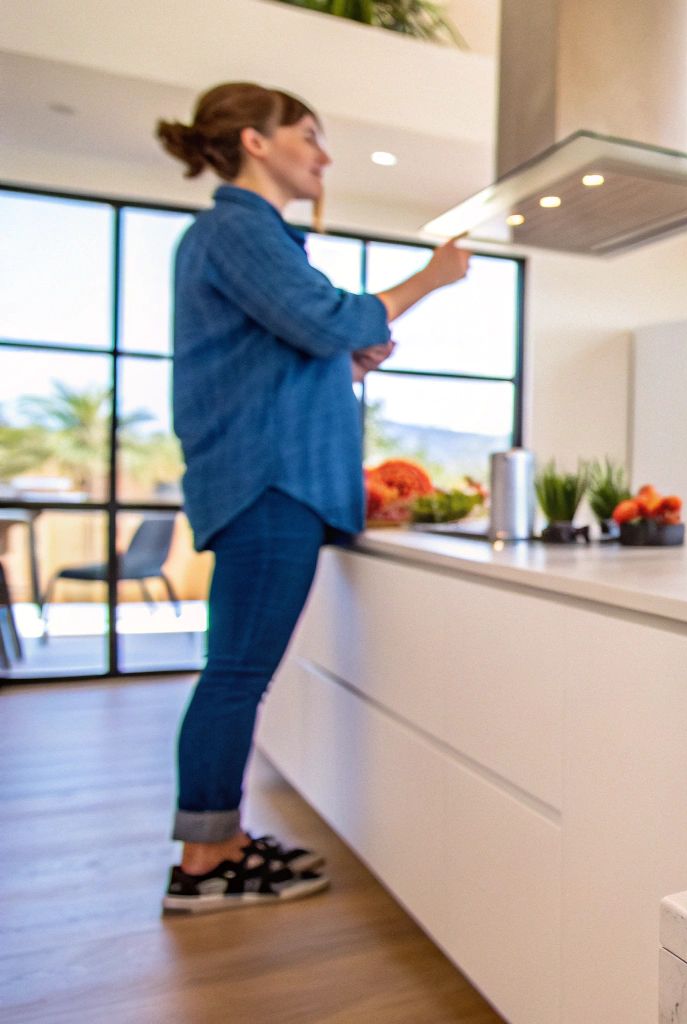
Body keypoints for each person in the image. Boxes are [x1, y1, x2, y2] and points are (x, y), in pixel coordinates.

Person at [155, 82, 469, 912]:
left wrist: (341, 364)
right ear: (255, 142)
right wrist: (431, 278)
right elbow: (330, 319)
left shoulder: (240, 237)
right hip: (271, 485)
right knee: (236, 676)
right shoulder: (238, 229)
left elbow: (293, 347)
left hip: (267, 480)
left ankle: (217, 843)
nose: (323, 156)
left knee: (234, 672)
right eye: (308, 135)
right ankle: (205, 863)